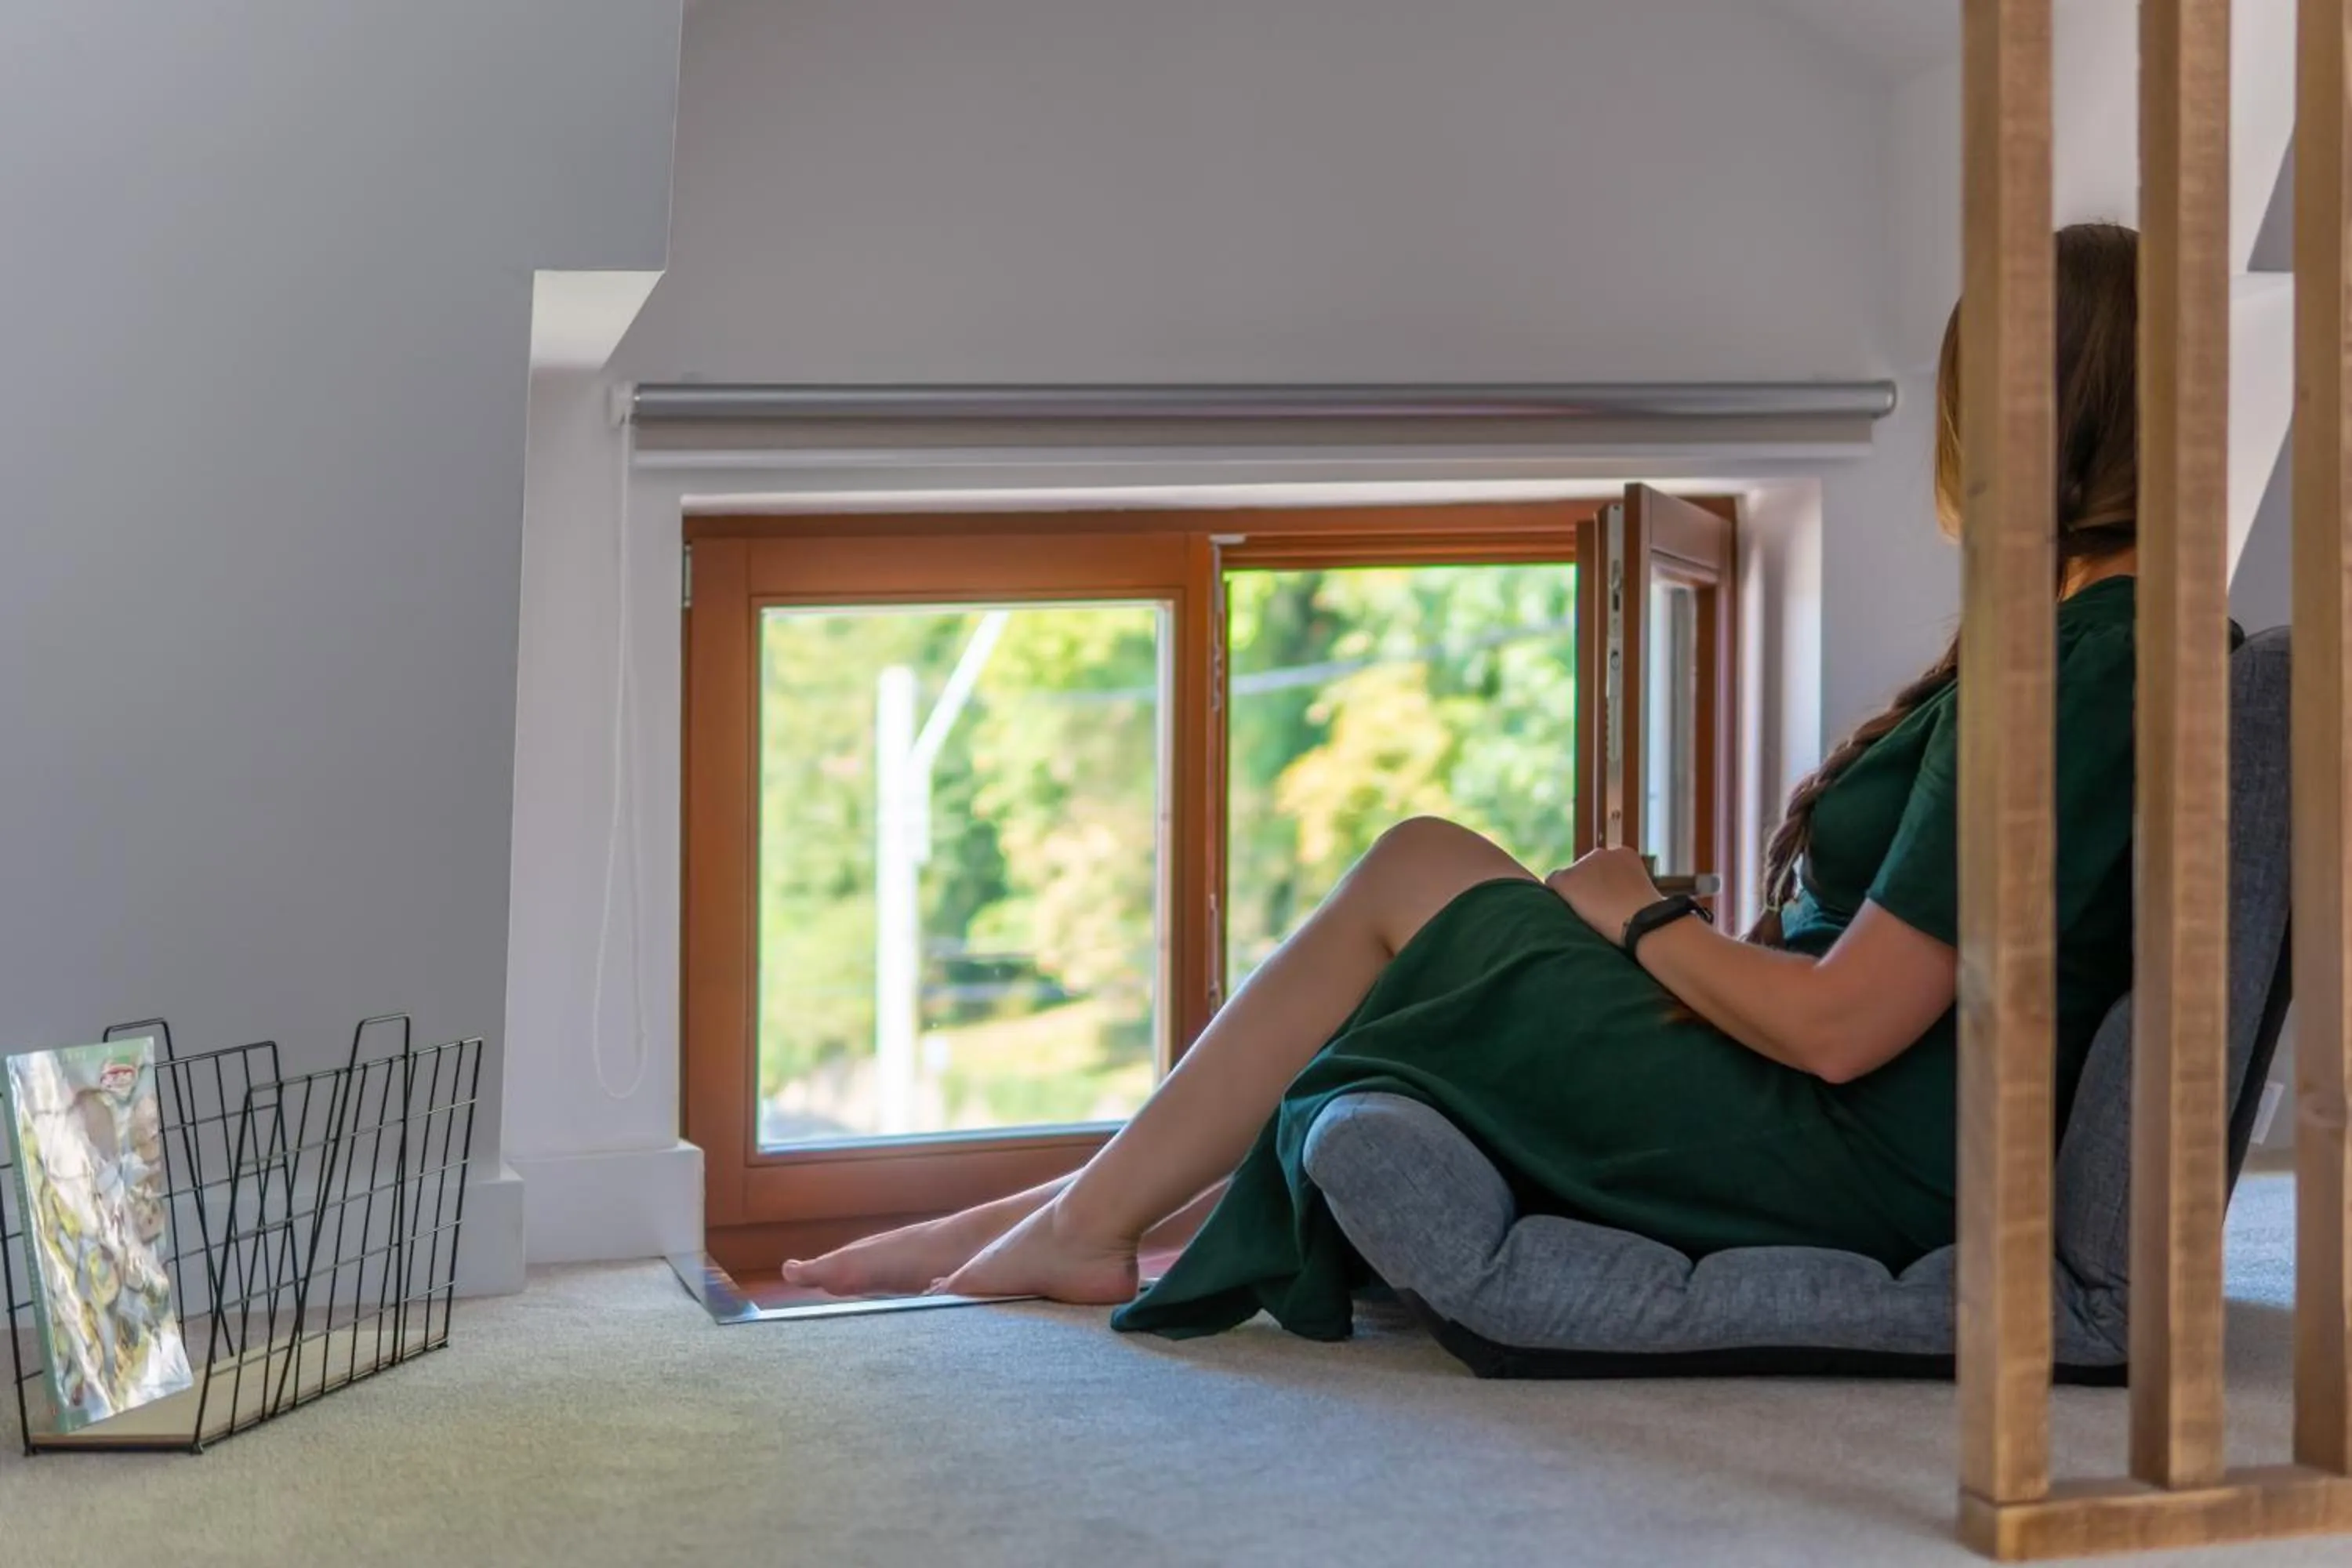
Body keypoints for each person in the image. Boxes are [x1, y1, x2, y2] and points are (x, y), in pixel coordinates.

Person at [786, 222, 2166, 1340]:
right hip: (1844, 1120)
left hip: (1849, 1149)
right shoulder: (2086, 648)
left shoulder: (2086, 670)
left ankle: (1080, 1226)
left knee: (1418, 868)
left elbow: (1845, 1029)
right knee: (1429, 872)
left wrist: (1641, 920)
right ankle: (1055, 1219)